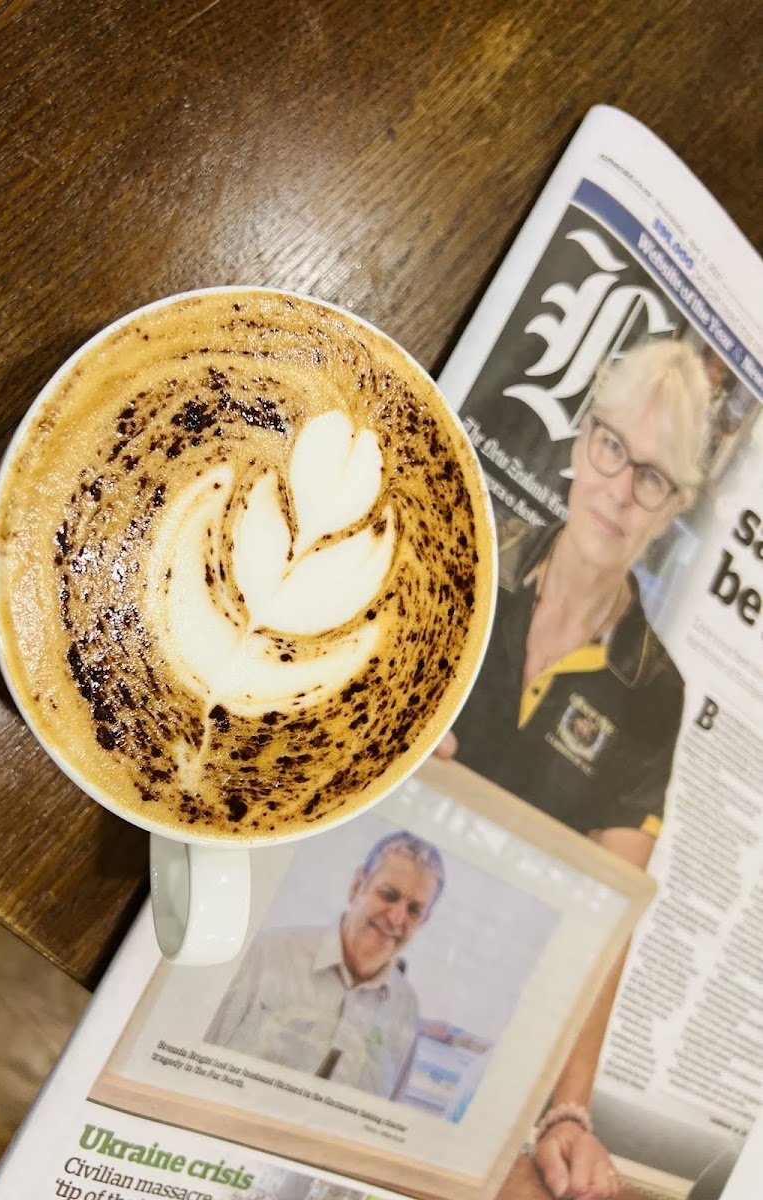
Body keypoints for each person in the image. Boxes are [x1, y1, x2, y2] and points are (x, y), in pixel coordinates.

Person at [437, 338, 711, 1200]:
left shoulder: (655, 690)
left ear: (674, 507)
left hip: (482, 1010)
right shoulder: (474, 549)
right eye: (612, 448)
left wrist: (569, 1113)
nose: (620, 489)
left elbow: (606, 914)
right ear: (582, 437)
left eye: (653, 477)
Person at [205, 830, 445, 1101]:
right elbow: (196, 1060)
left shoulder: (405, 1009)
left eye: (414, 910)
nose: (397, 917)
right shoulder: (268, 955)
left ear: (423, 921)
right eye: (389, 895)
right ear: (357, 886)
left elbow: (383, 1115)